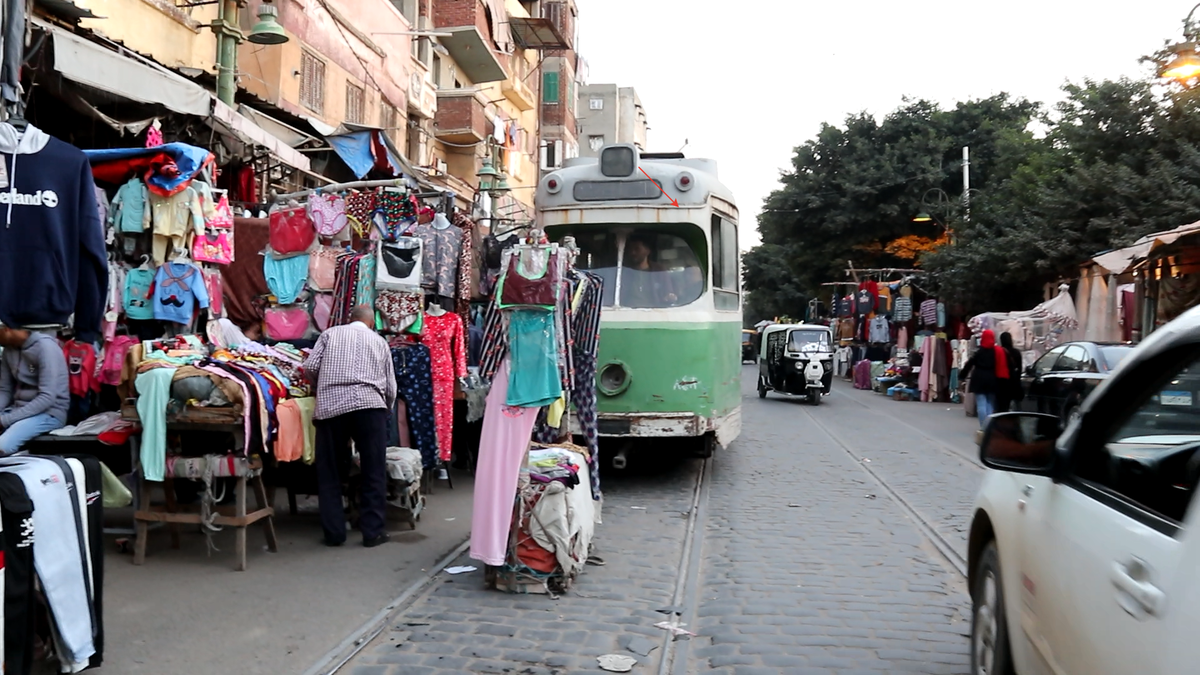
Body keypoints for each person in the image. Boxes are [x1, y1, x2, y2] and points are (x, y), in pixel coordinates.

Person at [302, 305, 397, 548]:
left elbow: (310, 367)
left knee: (330, 470)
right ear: (371, 322)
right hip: (370, 407)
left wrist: (321, 386)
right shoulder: (378, 342)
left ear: (350, 319)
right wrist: (385, 408)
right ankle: (372, 532)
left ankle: (334, 533)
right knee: (373, 470)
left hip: (332, 407)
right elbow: (390, 385)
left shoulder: (329, 334)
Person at [0, 325, 69, 456]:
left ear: (6, 329)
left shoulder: (45, 347)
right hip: (18, 409)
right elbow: (4, 390)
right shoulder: (9, 350)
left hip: (49, 413)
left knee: (2, 445)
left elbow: (47, 397)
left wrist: (5, 420)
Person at [960, 329, 1011, 431]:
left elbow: (970, 364)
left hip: (979, 380)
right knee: (990, 404)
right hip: (992, 380)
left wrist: (962, 376)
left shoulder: (978, 352)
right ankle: (989, 426)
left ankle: (983, 427)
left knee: (981, 404)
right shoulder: (997, 351)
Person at [621, 235, 675, 306]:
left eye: (637, 249)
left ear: (647, 251)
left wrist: (670, 297)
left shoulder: (659, 271)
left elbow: (668, 293)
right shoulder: (625, 272)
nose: (632, 252)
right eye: (630, 249)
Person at [995, 332, 1024, 413]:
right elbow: (1020, 368)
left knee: (1002, 407)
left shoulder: (999, 352)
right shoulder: (1016, 352)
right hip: (1014, 382)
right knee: (1015, 406)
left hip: (1001, 382)